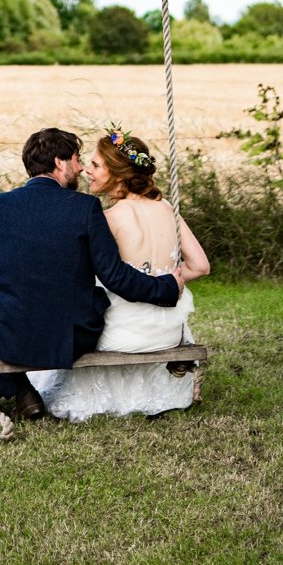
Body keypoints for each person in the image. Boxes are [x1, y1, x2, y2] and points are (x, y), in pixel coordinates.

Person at [0, 126, 183, 420]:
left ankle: (21, 391)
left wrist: (1, 309)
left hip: (12, 332)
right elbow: (114, 276)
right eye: (76, 159)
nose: (81, 167)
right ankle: (23, 393)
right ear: (60, 162)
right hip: (73, 337)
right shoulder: (86, 208)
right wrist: (166, 287)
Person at [28, 127, 210, 420]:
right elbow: (200, 266)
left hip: (123, 335)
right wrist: (166, 281)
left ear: (118, 174)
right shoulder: (166, 208)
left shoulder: (108, 217)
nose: (87, 169)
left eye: (96, 165)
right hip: (165, 332)